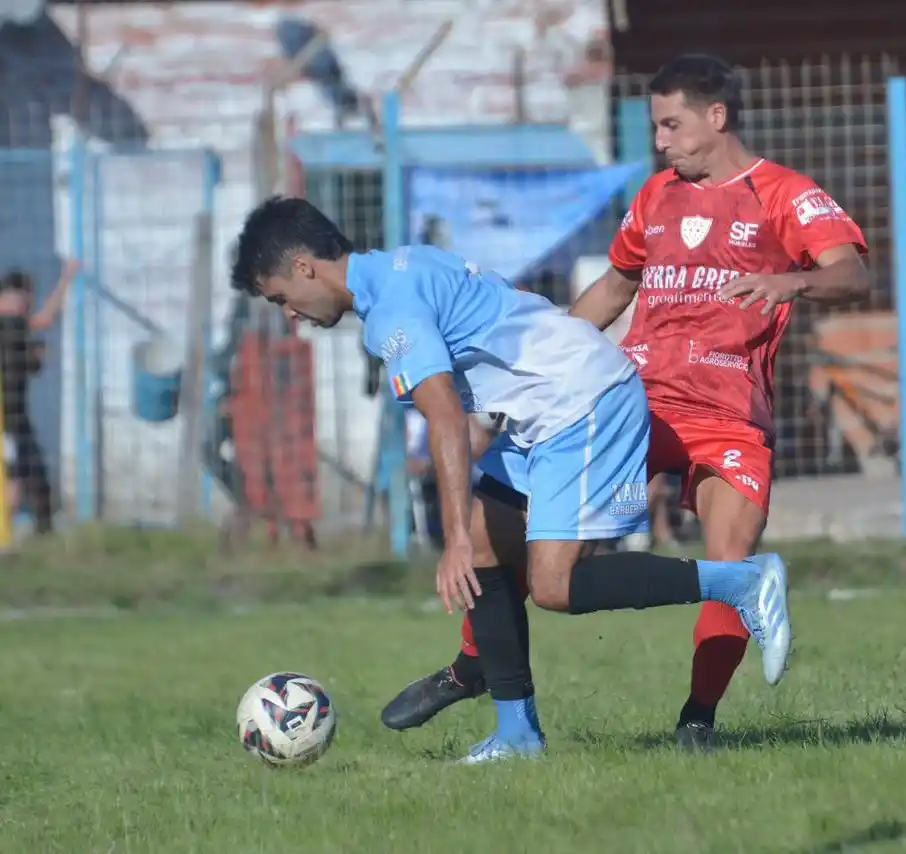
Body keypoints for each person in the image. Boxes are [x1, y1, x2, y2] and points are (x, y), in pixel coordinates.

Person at [381, 54, 870, 751]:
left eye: (671, 125)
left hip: (724, 412)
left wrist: (789, 282)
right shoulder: (655, 196)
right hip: (625, 402)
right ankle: (471, 668)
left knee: (731, 558)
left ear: (717, 117)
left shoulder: (783, 195)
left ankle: (697, 720)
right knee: (502, 532)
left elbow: (849, 272)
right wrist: (538, 371)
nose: (661, 140)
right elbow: (612, 290)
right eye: (656, 127)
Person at [230, 195, 792, 763]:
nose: (290, 314)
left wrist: (447, 539)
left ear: (305, 267)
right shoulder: (404, 263)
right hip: (545, 408)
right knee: (483, 550)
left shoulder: (391, 312)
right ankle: (518, 735)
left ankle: (739, 583)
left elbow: (446, 418)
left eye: (281, 298)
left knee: (553, 585)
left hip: (582, 401)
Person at [0, 260, 76, 535]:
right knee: (21, 472)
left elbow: (27, 362)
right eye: (28, 296)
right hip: (9, 415)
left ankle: (24, 530)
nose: (30, 302)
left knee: (20, 472)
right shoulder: (11, 322)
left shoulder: (14, 328)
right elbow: (45, 320)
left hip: (14, 415)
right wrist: (67, 279)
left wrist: (33, 357)